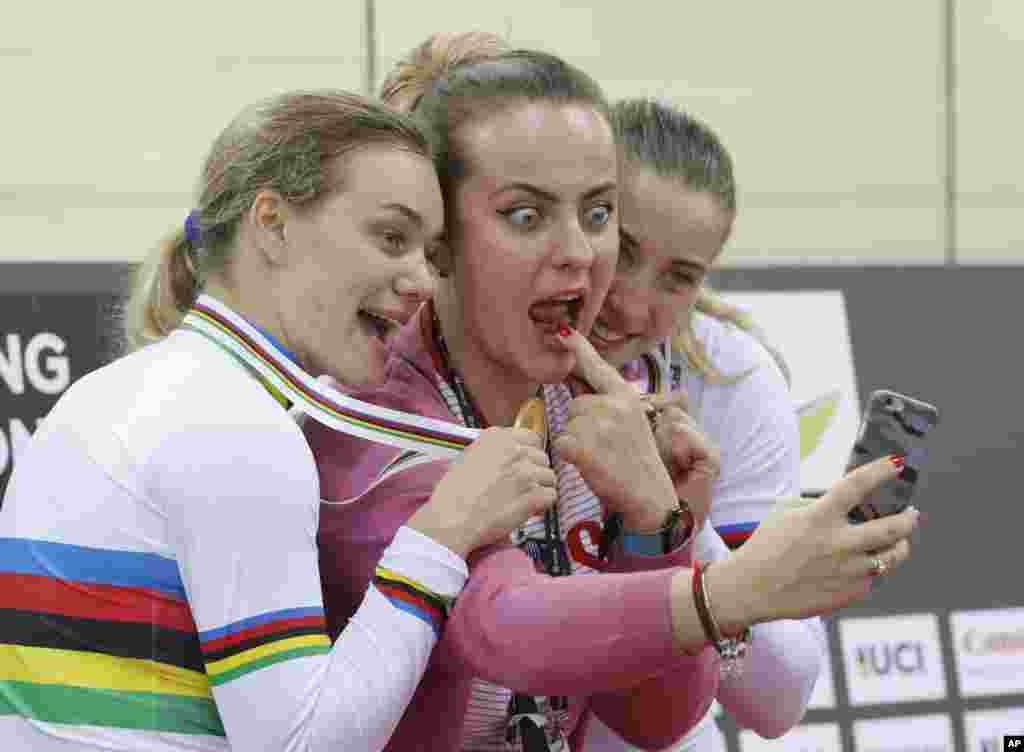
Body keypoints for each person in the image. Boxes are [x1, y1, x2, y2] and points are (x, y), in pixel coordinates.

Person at [305, 36, 920, 752]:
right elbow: (498, 628)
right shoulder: (366, 405)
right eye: (527, 217)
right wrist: (733, 588)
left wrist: (658, 525)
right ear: (438, 242)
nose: (579, 254)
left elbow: (653, 721)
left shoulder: (607, 406)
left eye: (598, 216)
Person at [0, 90, 558, 751]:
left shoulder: (109, 393)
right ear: (273, 222)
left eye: (428, 252)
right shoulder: (235, 430)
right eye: (391, 237)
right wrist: (443, 534)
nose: (421, 282)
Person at [581, 99, 827, 751]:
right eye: (620, 249)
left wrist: (676, 524)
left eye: (678, 277)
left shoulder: (727, 377)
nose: (632, 301)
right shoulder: (478, 355)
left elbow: (779, 699)